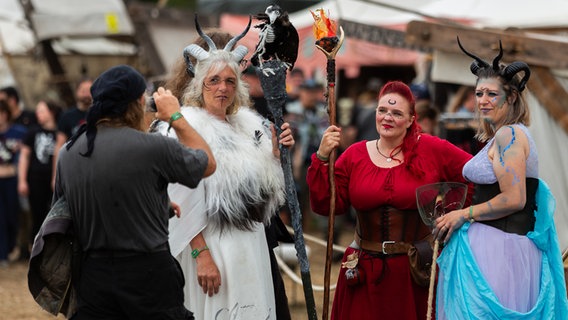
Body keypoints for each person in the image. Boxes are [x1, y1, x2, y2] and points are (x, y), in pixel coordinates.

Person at [53, 64, 216, 319]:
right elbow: (207, 163)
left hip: (93, 275)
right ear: (140, 101)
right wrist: (175, 116)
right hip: (148, 273)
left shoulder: (69, 152)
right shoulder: (152, 147)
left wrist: (156, 204)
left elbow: (70, 214)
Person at [158, 22, 294, 319]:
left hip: (251, 244)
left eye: (230, 81)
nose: (223, 88)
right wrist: (201, 254)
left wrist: (275, 154)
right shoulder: (184, 126)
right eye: (214, 80)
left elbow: (269, 196)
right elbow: (178, 199)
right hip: (212, 247)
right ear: (199, 83)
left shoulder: (249, 126)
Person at [306, 81, 473, 320]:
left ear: (410, 119)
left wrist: (452, 213)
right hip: (363, 270)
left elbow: (472, 174)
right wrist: (322, 157)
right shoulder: (354, 155)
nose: (387, 118)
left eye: (397, 113)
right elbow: (327, 205)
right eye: (382, 110)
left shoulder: (431, 149)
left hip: (413, 272)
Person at [433, 40, 568, 319]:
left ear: (512, 97)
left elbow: (514, 198)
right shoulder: (502, 135)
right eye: (479, 93)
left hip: (501, 248)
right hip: (494, 244)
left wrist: (464, 214)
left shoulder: (510, 136)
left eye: (492, 94)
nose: (483, 100)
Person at [17, 100, 61, 247]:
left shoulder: (60, 133)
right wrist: (22, 180)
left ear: (51, 112)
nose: (38, 114)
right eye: (37, 111)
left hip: (55, 179)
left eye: (42, 110)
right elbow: (24, 156)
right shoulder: (33, 131)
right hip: (35, 179)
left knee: (54, 214)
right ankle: (35, 246)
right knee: (37, 214)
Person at [0, 100, 27, 267]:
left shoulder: (19, 132)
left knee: (12, 215)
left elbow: (25, 155)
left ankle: (11, 246)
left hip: (12, 180)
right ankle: (2, 254)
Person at [52, 78, 93, 187]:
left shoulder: (102, 114)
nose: (86, 94)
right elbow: (59, 146)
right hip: (75, 169)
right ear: (76, 92)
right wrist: (56, 176)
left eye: (90, 90)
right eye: (83, 91)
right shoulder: (67, 116)